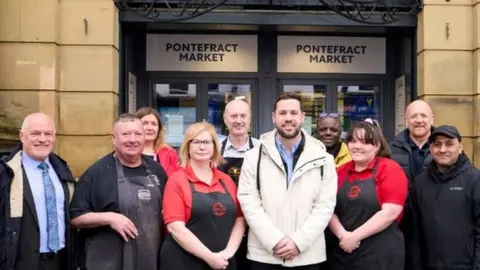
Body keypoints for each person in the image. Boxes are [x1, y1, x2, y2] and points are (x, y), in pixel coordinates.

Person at [238, 92, 338, 269]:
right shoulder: (253, 157)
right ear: (273, 117)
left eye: (293, 113)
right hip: (265, 256)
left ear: (302, 116)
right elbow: (249, 203)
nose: (288, 118)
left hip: (307, 256)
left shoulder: (324, 159)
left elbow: (325, 206)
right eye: (283, 113)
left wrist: (298, 242)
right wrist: (274, 241)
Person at [69, 113, 167, 270]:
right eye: (126, 134)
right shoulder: (96, 173)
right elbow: (75, 217)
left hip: (150, 259)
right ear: (114, 138)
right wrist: (109, 218)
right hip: (108, 261)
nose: (132, 140)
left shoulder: (157, 170)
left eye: (137, 134)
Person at [160, 122, 245, 270]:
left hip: (223, 261)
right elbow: (175, 228)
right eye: (196, 142)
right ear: (187, 147)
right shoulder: (177, 180)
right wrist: (209, 257)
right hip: (183, 261)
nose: (202, 147)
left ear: (214, 147)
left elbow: (240, 219)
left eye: (207, 142)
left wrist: (228, 252)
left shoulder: (226, 180)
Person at [327, 120, 408, 270]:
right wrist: (343, 235)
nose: (357, 146)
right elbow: (327, 208)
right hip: (342, 254)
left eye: (364, 142)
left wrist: (355, 237)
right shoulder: (339, 171)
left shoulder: (390, 169)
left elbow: (390, 213)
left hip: (379, 255)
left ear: (377, 146)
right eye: (353, 141)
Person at [0, 113, 77, 270]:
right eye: (35, 133)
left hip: (61, 260)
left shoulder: (62, 170)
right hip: (20, 262)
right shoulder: (5, 172)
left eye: (48, 134)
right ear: (22, 136)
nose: (42, 139)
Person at [411, 125, 480, 270]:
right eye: (437, 144)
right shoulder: (420, 182)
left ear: (460, 148)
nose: (442, 150)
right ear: (431, 149)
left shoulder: (475, 179)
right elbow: (414, 231)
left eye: (449, 144)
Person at [389, 100, 434, 269]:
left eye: (423, 115)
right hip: (401, 222)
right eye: (413, 116)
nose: (419, 120)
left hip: (433, 219)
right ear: (406, 120)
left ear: (432, 119)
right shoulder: (391, 147)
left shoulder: (444, 146)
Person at [217, 99, 260, 270]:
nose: (238, 120)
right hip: (222, 218)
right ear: (225, 119)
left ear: (249, 118)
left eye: (243, 115)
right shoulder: (214, 148)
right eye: (233, 116)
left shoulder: (261, 148)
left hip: (253, 222)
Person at [134, 107, 180, 177]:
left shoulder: (169, 153)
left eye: (154, 124)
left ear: (159, 129)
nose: (150, 128)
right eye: (145, 123)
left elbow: (177, 179)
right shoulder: (128, 152)